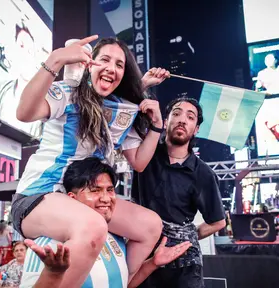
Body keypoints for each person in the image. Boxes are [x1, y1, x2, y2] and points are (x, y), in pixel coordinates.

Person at [12, 35, 169, 288]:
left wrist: (157, 126)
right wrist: (56, 58)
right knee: (95, 226)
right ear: (88, 63)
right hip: (39, 196)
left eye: (119, 64)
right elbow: (24, 113)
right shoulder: (68, 93)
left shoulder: (124, 110)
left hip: (87, 201)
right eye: (104, 60)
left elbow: (138, 163)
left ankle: (122, 282)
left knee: (151, 225)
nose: (112, 68)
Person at [21, 158, 191, 288]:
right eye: (95, 191)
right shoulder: (49, 246)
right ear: (72, 199)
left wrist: (152, 264)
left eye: (109, 190)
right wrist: (53, 273)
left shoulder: (115, 238)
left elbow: (124, 283)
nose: (106, 198)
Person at [132, 97, 226, 288]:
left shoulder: (204, 174)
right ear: (165, 122)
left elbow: (218, 222)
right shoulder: (145, 155)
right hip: (142, 256)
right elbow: (126, 120)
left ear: (196, 129)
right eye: (176, 113)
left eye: (190, 117)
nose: (182, 120)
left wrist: (183, 238)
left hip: (184, 266)